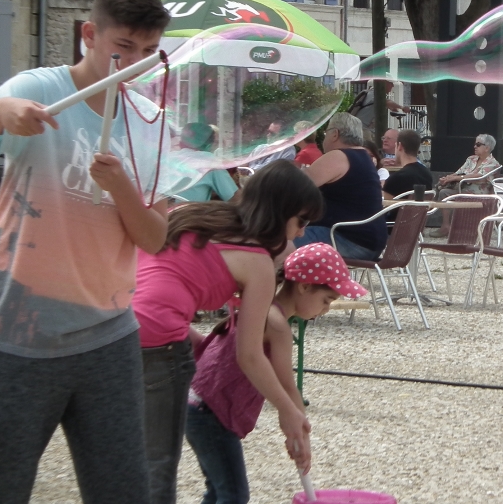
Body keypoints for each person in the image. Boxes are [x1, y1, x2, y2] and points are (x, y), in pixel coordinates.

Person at [0, 0, 172, 504]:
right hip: (20, 329)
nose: (135, 62)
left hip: (109, 333)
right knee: (0, 486)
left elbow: (156, 239)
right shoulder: (42, 89)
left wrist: (120, 185)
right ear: (89, 35)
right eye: (124, 48)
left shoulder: (152, 124)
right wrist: (2, 112)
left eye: (148, 51)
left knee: (122, 490)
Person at [133, 160, 322, 503]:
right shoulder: (257, 262)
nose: (301, 233)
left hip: (115, 327)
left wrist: (191, 339)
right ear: (280, 212)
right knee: (158, 472)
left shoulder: (194, 214)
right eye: (301, 221)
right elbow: (249, 355)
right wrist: (287, 409)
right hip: (159, 343)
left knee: (131, 464)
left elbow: (152, 285)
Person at [185, 243, 366, 504]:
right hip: (211, 413)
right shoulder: (277, 325)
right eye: (326, 300)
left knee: (218, 490)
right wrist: (301, 436)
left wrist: (298, 432)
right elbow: (288, 388)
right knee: (233, 494)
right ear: (304, 286)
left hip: (196, 405)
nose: (325, 309)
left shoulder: (258, 308)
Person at [297, 113, 386, 261]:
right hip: (369, 243)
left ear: (335, 134)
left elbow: (294, 187)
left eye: (326, 133)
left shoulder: (338, 156)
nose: (324, 138)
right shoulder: (363, 157)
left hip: (345, 240)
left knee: (274, 242)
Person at [427, 134, 501, 238]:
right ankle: (446, 226)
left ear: (487, 148)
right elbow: (458, 172)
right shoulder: (471, 159)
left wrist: (456, 178)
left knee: (447, 192)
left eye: (478, 144)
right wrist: (447, 178)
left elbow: (478, 177)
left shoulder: (493, 163)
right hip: (463, 190)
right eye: (475, 144)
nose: (474, 146)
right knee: (443, 192)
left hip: (479, 195)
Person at [172, 122, 238, 203]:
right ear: (210, 145)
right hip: (189, 214)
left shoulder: (168, 158)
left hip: (164, 212)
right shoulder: (210, 161)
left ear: (180, 143)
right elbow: (235, 199)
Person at [383, 130, 434, 198]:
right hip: (423, 208)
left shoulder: (394, 179)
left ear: (400, 146)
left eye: (396, 146)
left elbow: (386, 206)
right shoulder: (427, 175)